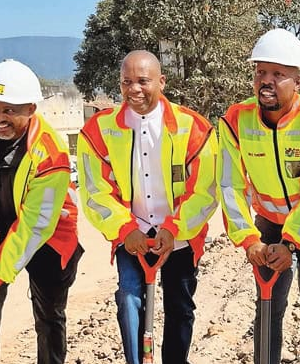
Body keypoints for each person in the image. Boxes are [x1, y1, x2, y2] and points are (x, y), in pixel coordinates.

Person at [77, 50, 218, 364]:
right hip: (132, 234)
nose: (134, 89)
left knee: (180, 308)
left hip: (179, 237)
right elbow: (94, 191)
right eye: (127, 82)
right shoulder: (99, 129)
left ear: (161, 82)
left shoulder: (192, 127)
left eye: (143, 81)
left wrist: (174, 228)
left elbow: (205, 191)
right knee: (128, 298)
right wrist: (126, 230)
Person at [217, 28, 300, 364]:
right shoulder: (234, 120)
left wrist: (290, 244)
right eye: (260, 73)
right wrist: (249, 240)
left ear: (298, 82)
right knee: (269, 305)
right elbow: (229, 186)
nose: (266, 81)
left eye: (278, 74)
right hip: (267, 225)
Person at [0, 59, 84, 364]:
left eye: (9, 110)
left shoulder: (51, 151)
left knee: (49, 314)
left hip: (49, 234)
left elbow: (35, 225)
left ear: (31, 109)